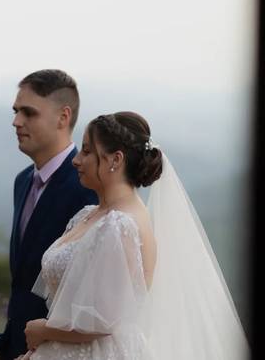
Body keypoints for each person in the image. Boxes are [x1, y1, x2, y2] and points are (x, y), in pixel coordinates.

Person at [20, 112, 250, 360]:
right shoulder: (91, 215)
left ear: (115, 160)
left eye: (86, 151)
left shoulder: (120, 225)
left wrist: (42, 329)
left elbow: (102, 321)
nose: (76, 160)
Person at [0, 70, 97, 360]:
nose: (16, 121)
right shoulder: (22, 181)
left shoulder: (88, 189)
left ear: (63, 117)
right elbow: (22, 283)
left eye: (28, 113)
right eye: (15, 111)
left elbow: (92, 296)